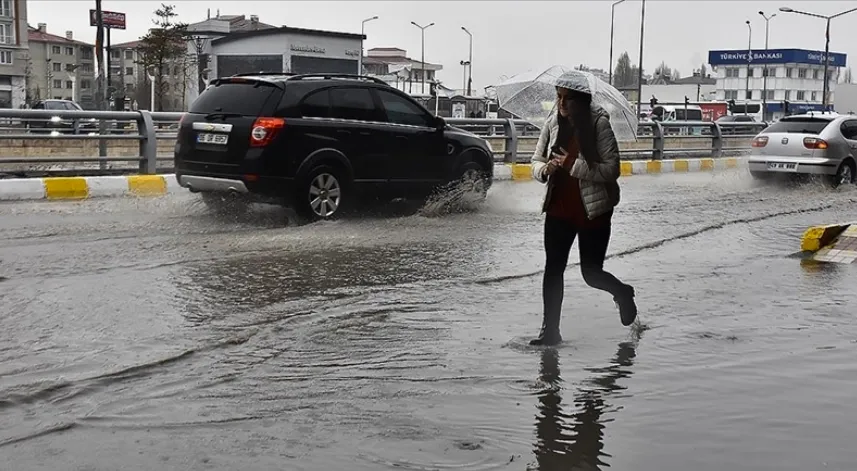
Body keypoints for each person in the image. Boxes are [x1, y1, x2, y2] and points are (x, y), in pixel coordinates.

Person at [528, 85, 638, 346]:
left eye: (568, 98)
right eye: (559, 97)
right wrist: (545, 170)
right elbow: (535, 160)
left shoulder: (599, 125)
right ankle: (550, 331)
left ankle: (622, 293)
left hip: (594, 211)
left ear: (582, 101)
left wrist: (570, 165)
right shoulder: (552, 122)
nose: (562, 103)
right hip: (558, 209)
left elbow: (612, 170)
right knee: (553, 269)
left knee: (591, 273)